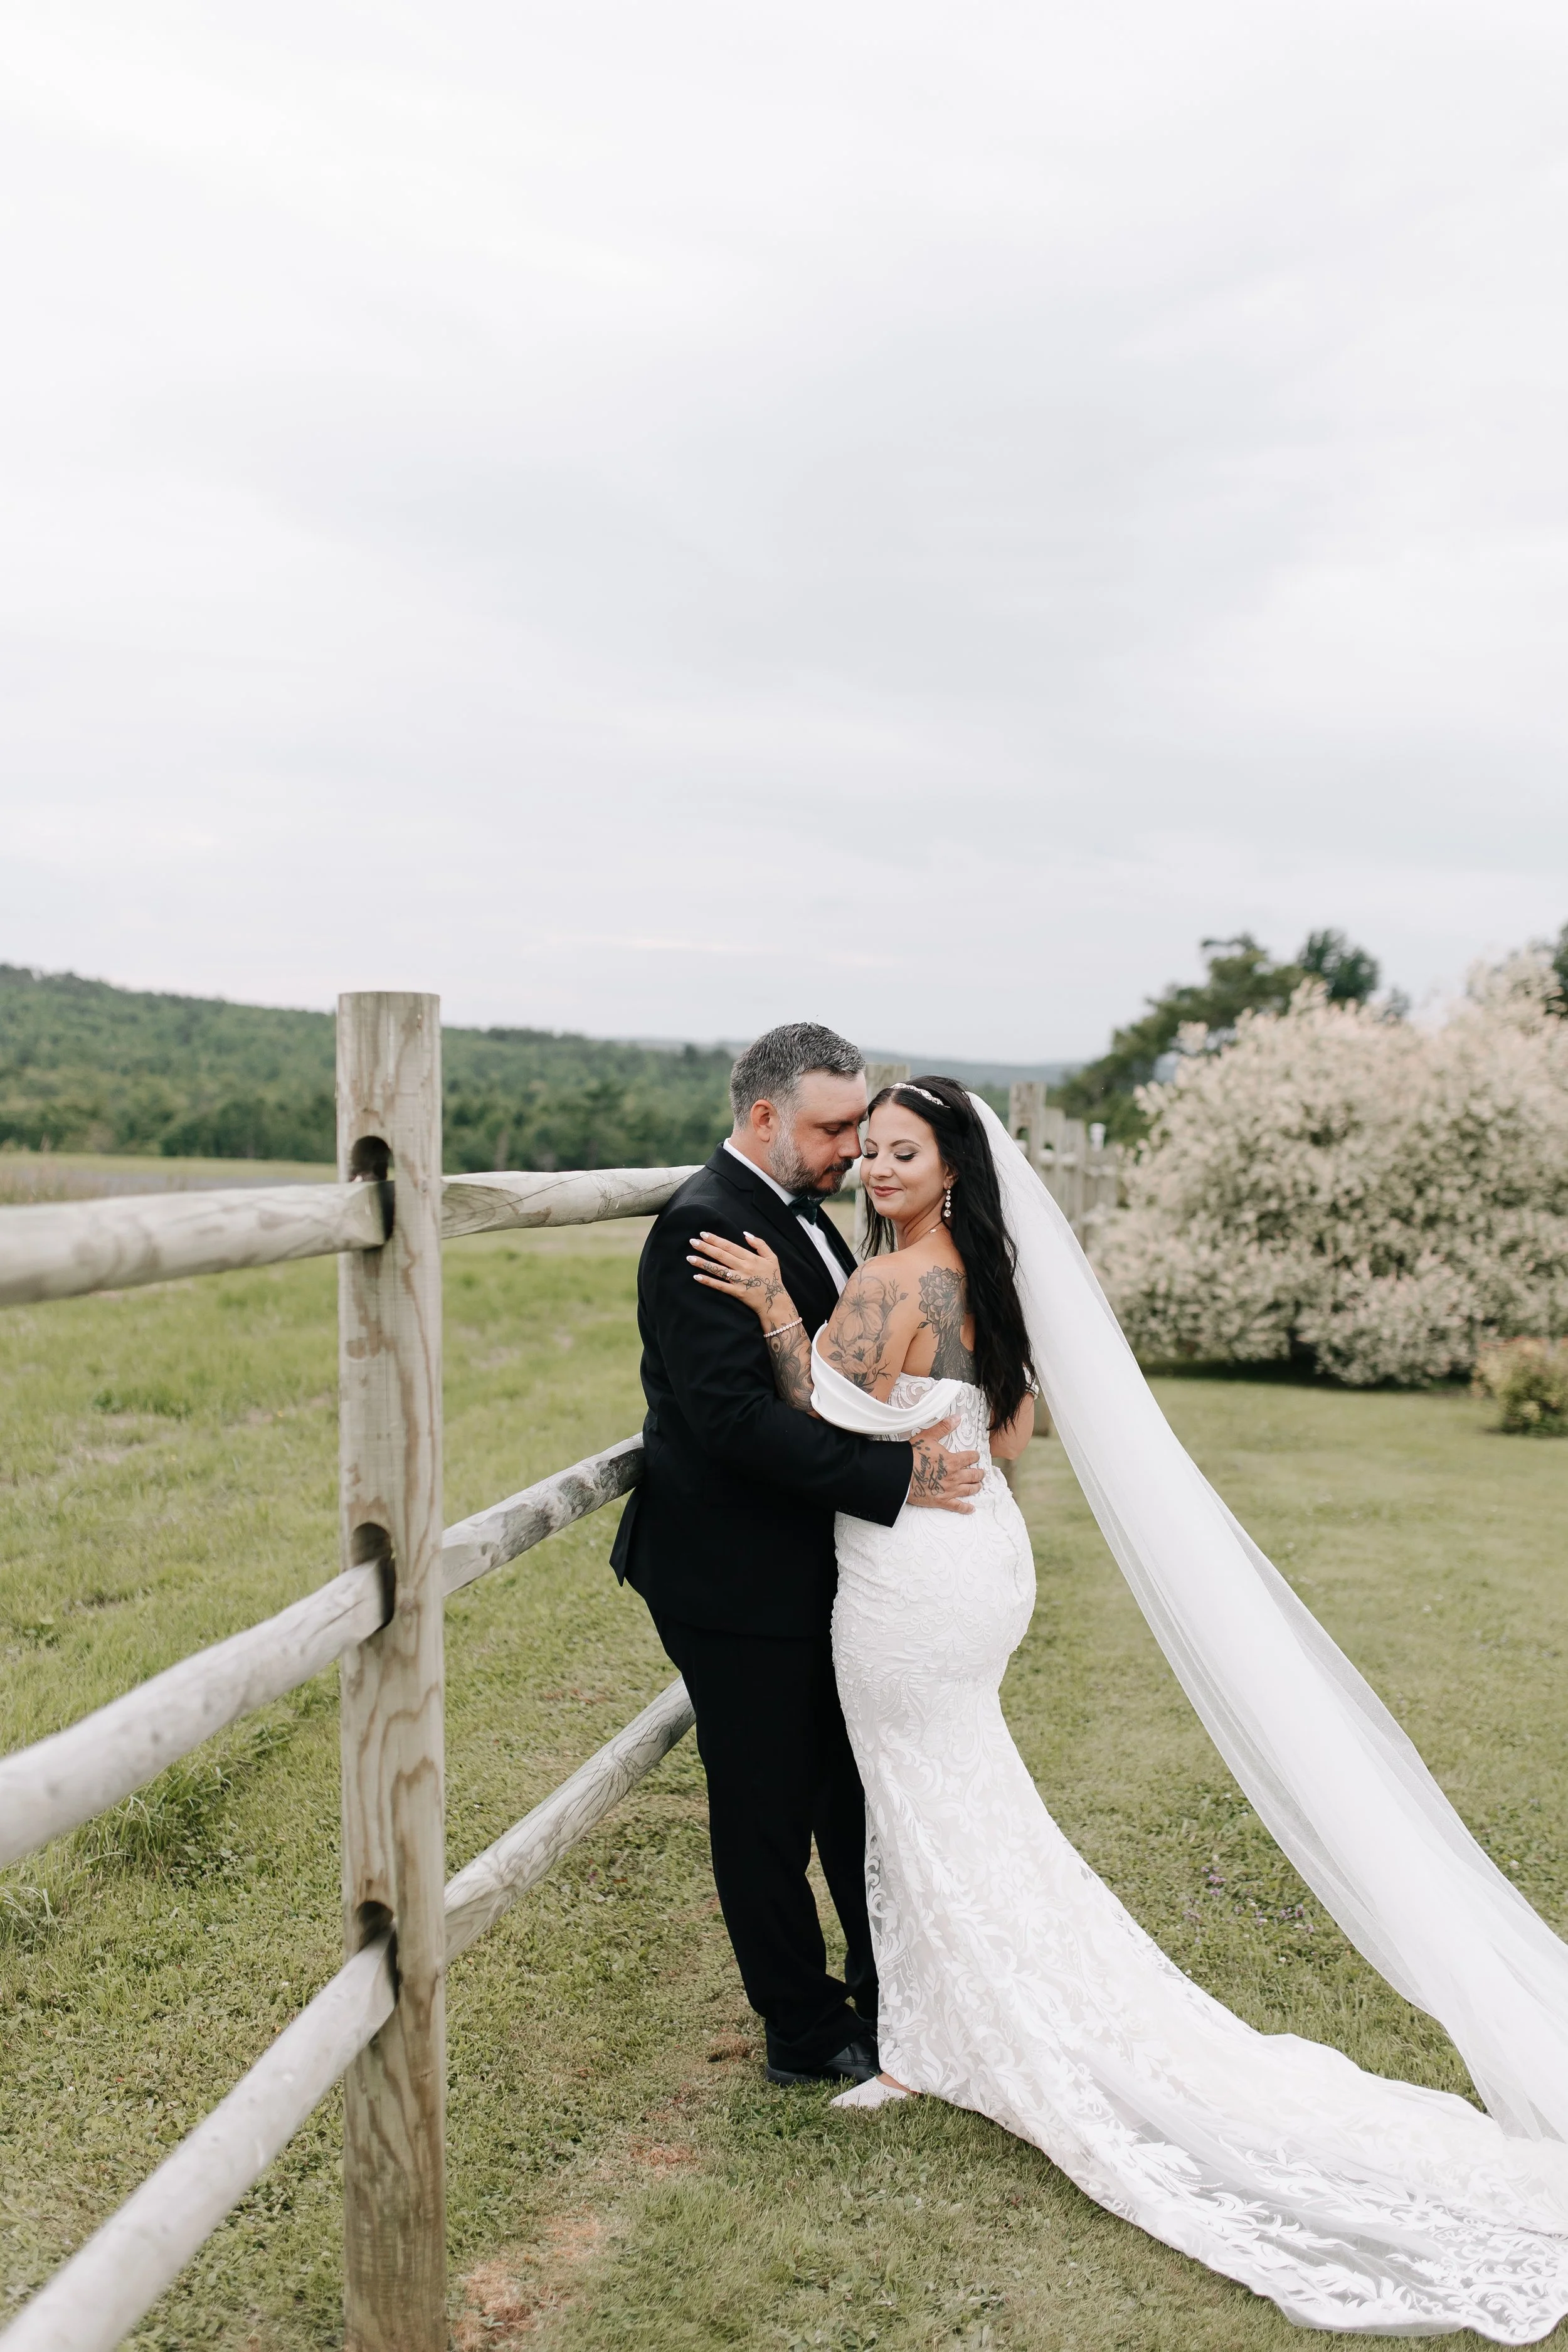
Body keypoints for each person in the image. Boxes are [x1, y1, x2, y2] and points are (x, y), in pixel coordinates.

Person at [690, 1075, 1568, 2343]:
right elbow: (1007, 1445)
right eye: (866, 1151)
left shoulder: (892, 1288)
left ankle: (928, 2044)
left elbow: (801, 1415)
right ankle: (927, 2036)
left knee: (924, 1801)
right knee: (955, 1796)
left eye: (899, 1154)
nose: (875, 1170)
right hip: (977, 1563)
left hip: (907, 1590)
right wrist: (914, 1437)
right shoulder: (982, 1282)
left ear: (948, 1170)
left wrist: (779, 1309)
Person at [610, 1023, 983, 2089]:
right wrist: (894, 1481)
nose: (852, 1153)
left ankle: (887, 1986)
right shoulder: (704, 1228)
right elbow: (733, 1423)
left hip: (813, 1562)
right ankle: (804, 2030)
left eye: (862, 1130)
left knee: (845, 1790)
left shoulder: (812, 1223)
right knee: (766, 1806)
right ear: (763, 1117)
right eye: (831, 1130)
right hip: (733, 1572)